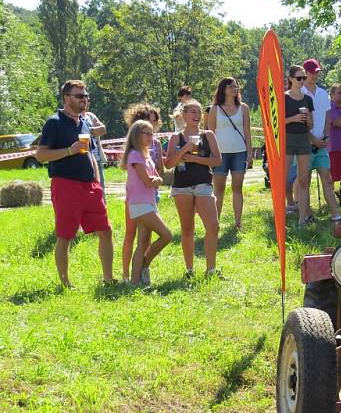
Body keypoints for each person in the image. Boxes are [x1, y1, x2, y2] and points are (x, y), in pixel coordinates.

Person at [35, 80, 113, 287]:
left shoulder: (85, 121)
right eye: (79, 96)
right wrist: (69, 150)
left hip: (90, 185)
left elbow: (88, 152)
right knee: (66, 235)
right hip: (65, 185)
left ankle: (108, 279)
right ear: (66, 98)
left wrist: (96, 178)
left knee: (105, 231)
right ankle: (65, 283)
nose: (84, 99)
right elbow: (41, 155)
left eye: (86, 96)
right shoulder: (54, 122)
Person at [165, 99, 222, 278]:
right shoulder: (176, 137)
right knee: (187, 228)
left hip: (203, 184)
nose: (197, 116)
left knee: (213, 226)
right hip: (182, 187)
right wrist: (184, 150)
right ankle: (189, 270)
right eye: (193, 112)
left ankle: (211, 269)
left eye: (199, 112)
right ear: (184, 115)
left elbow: (217, 161)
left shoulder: (208, 135)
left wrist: (194, 159)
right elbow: (168, 164)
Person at [122, 120, 171, 286]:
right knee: (166, 235)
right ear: (137, 135)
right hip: (140, 204)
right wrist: (157, 180)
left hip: (148, 203)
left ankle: (135, 281)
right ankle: (144, 265)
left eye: (152, 133)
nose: (151, 137)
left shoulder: (146, 155)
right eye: (147, 133)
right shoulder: (135, 154)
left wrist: (157, 179)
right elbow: (149, 180)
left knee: (143, 243)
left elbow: (157, 176)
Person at [207, 77, 253, 230]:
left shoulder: (244, 108)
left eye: (236, 86)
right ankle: (215, 223)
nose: (234, 89)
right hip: (219, 154)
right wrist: (210, 154)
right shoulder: (215, 109)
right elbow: (210, 133)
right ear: (223, 89)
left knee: (237, 188)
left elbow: (247, 131)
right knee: (218, 190)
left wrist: (250, 153)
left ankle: (238, 223)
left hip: (239, 152)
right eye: (230, 87)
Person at [301, 59, 341, 221]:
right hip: (304, 144)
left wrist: (325, 136)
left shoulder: (323, 93)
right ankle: (307, 215)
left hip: (322, 144)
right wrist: (312, 139)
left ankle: (336, 215)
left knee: (327, 179)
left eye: (317, 72)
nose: (315, 74)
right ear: (305, 73)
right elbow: (300, 122)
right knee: (304, 182)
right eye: (312, 72)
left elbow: (327, 117)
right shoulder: (300, 93)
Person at [285, 65, 315, 225]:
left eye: (304, 78)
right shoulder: (283, 98)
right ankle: (282, 212)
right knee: (284, 180)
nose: (302, 81)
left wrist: (307, 120)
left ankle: (302, 219)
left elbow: (310, 125)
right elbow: (276, 124)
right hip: (287, 139)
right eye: (299, 78)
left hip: (303, 138)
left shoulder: (307, 99)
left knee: (304, 180)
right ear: (290, 79)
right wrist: (293, 118)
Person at [82, 100, 108, 198]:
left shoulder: (90, 116)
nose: (86, 102)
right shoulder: (74, 118)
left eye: (88, 100)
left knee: (100, 189)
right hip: (84, 159)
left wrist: (88, 130)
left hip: (96, 159)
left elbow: (103, 129)